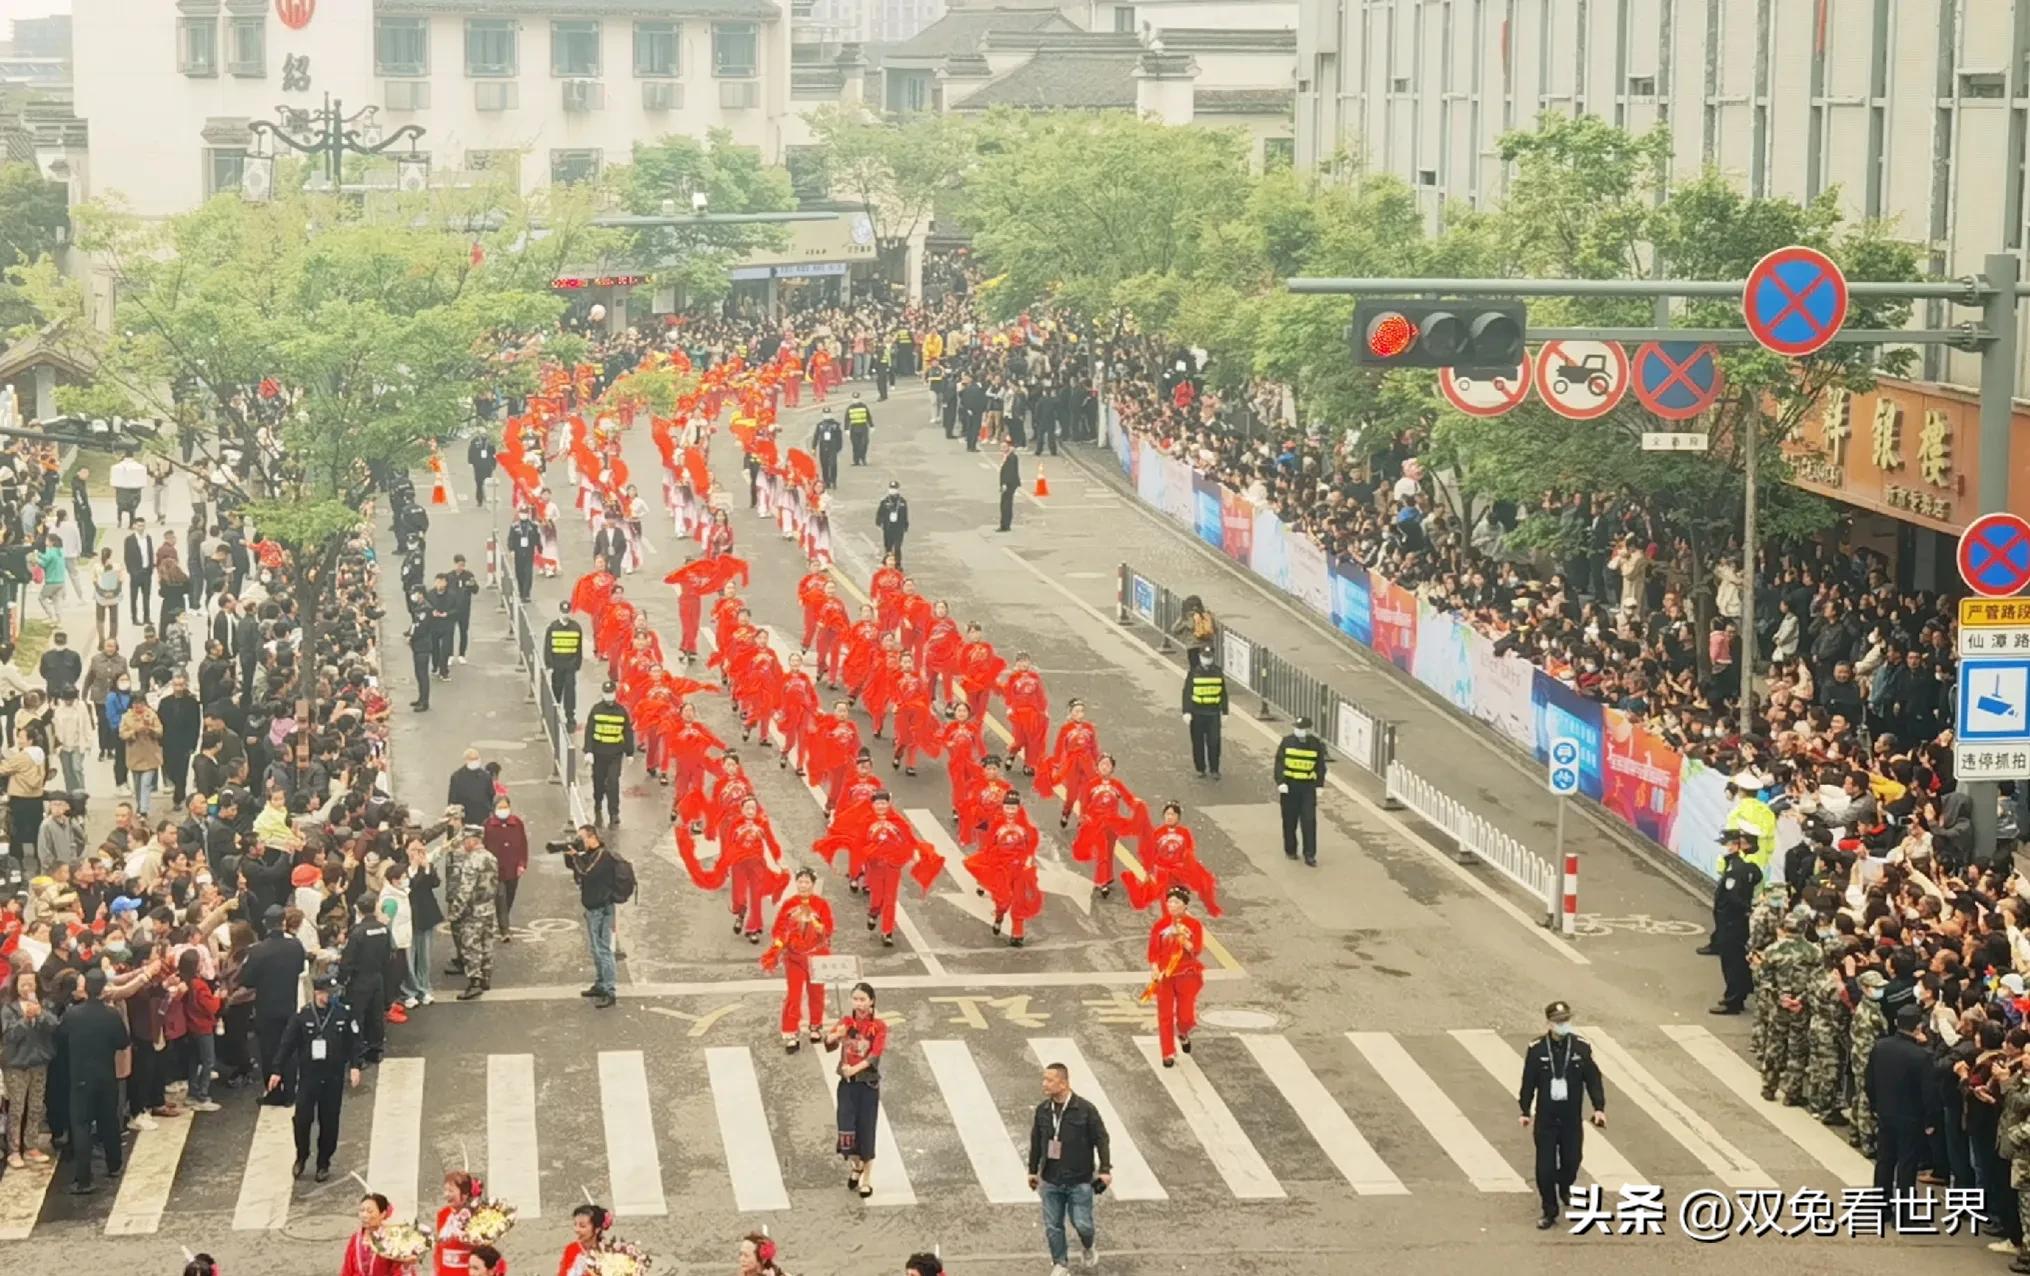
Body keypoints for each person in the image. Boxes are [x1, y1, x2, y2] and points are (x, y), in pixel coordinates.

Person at [1517, 999, 1608, 1229]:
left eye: (1566, 1020)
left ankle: (1565, 1186)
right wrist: (1525, 1110)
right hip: (1546, 1119)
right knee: (1544, 1168)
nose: (1562, 1025)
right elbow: (1528, 1081)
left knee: (1572, 1160)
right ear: (1548, 1023)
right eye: (1558, 1022)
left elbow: (1593, 1080)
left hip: (1570, 1119)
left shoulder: (1580, 1048)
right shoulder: (1537, 1049)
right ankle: (1549, 1210)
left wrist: (1599, 1108)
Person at [268, 973, 364, 1182]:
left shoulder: (342, 1014)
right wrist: (277, 1070)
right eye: (326, 993)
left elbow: (353, 1042)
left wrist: (355, 1066)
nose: (330, 997)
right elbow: (287, 1044)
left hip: (333, 1077)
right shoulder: (303, 1017)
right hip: (309, 1077)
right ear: (317, 993)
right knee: (302, 1120)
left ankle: (323, 1162)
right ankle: (301, 1156)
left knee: (329, 1122)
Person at [1028, 1060, 1111, 1276]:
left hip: (1080, 1180)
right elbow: (1036, 1141)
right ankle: (1060, 1263)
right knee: (1053, 1226)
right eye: (1044, 1079)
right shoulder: (1043, 1110)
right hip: (1051, 1179)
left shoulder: (1085, 1109)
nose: (1044, 1084)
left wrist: (1105, 1169)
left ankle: (1088, 1245)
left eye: (1049, 1080)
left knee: (1083, 1224)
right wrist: (1032, 1170)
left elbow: (1101, 1138)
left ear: (1063, 1084)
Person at [57, 968, 127, 1194]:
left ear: (85, 987)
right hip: (106, 1075)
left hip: (80, 1078)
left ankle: (84, 1178)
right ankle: (114, 1164)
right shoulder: (111, 1014)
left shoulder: (72, 1015)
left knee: (81, 1126)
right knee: (109, 1121)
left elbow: (59, 1038)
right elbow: (122, 1042)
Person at [1865, 1003, 1935, 1212]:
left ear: (1896, 1023)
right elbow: (1927, 1092)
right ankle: (1904, 1212)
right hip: (1911, 1116)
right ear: (1919, 1027)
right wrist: (1929, 1120)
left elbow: (1869, 1081)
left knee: (1885, 1160)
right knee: (1907, 1164)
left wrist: (1875, 1105)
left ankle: (1880, 1205)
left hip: (1885, 1112)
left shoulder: (1880, 1047)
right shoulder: (1921, 1056)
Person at [825, 980, 887, 1200]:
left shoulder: (878, 1026)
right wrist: (834, 1035)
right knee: (846, 1132)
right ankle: (856, 1165)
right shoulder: (845, 1022)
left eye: (863, 999)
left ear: (871, 1002)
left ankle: (866, 1179)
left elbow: (874, 1056)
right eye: (855, 999)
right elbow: (829, 1042)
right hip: (847, 1086)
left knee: (866, 1130)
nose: (859, 1003)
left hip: (867, 1086)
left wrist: (854, 1069)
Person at [761, 866, 833, 1051]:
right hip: (794, 957)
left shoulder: (821, 904)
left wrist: (814, 922)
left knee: (817, 993)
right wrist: (778, 945)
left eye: (806, 882)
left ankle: (815, 1025)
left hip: (816, 956)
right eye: (800, 882)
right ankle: (790, 1031)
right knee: (794, 995)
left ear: (813, 884)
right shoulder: (788, 904)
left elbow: (828, 929)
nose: (803, 885)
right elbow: (778, 929)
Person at [1146, 886, 1205, 1067]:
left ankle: (1184, 1032)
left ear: (1184, 905)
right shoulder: (1160, 925)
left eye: (1176, 902)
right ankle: (1167, 1052)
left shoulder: (1194, 925)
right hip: (1165, 976)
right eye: (1169, 901)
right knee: (1164, 1014)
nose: (1171, 905)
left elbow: (1196, 949)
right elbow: (1153, 951)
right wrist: (1155, 967)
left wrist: (1183, 938)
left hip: (1185, 975)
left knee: (1185, 1015)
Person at [565, 823, 620, 1009]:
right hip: (591, 907)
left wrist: (576, 858)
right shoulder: (589, 855)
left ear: (592, 837)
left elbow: (586, 873)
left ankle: (609, 990)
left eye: (581, 838)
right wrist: (571, 854)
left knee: (603, 949)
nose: (580, 842)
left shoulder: (603, 856)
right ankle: (600, 983)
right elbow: (576, 869)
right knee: (596, 949)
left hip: (601, 909)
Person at [1709, 830, 1762, 1015]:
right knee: (1737, 959)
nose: (1727, 848)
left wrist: (1746, 910)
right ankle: (1739, 992)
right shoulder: (1744, 866)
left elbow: (1733, 897)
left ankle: (1733, 1000)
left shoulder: (1737, 868)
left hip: (1732, 922)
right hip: (1736, 921)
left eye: (1730, 844)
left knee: (1732, 961)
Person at [446, 827, 499, 1001]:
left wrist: (455, 912)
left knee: (471, 945)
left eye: (465, 840)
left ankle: (474, 982)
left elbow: (465, 890)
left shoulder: (471, 861)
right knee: (487, 942)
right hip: (488, 907)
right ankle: (486, 977)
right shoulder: (491, 857)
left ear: (472, 840)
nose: (463, 844)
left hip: (473, 910)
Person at [1273, 715, 1326, 865]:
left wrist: (1319, 784)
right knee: (1289, 821)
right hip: (1290, 787)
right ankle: (1290, 850)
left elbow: (1320, 766)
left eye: (1302, 729)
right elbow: (1279, 763)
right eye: (1297, 728)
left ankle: (1310, 854)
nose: (1299, 731)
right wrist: (1281, 782)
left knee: (1309, 821)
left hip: (1307, 787)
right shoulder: (1287, 742)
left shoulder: (1316, 744)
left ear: (1309, 730)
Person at [583, 681, 635, 827]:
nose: (609, 695)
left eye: (611, 692)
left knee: (613, 782)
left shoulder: (621, 711)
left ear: (615, 693)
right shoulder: (596, 710)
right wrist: (588, 751)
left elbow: (627, 732)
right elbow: (589, 731)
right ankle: (598, 802)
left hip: (614, 754)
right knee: (598, 782)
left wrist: (630, 752)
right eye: (606, 693)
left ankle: (614, 813)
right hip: (599, 754)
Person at [1180, 646, 1228, 780]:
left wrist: (1225, 711)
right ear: (1200, 658)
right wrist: (1187, 711)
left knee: (1214, 742)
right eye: (1205, 657)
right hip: (1197, 713)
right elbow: (1187, 693)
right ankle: (1200, 768)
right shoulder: (1194, 673)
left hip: (1213, 713)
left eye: (1209, 657)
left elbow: (1223, 693)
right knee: (1198, 742)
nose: (1207, 659)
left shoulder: (1218, 672)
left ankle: (1214, 769)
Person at [545, 601, 586, 729]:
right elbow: (547, 648)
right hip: (557, 666)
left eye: (567, 612)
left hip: (570, 667)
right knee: (556, 691)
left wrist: (576, 664)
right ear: (559, 612)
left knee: (570, 694)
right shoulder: (553, 627)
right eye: (563, 612)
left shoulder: (576, 627)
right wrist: (549, 665)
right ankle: (554, 716)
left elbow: (579, 648)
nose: (565, 615)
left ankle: (570, 718)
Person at [435, 1169, 482, 1276]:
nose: (446, 1195)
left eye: (451, 1191)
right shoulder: (443, 1214)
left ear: (465, 1195)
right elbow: (439, 1251)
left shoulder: (476, 1216)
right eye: (445, 1190)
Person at [557, 1201, 611, 1276]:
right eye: (575, 1224)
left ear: (597, 1229)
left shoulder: (609, 1253)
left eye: (582, 1226)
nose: (576, 1229)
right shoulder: (571, 1249)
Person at [506, 511, 540, 604]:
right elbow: (511, 539)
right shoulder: (515, 526)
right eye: (522, 513)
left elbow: (537, 538)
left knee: (528, 573)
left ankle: (526, 594)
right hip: (518, 553)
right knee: (519, 573)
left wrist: (539, 549)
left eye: (525, 513)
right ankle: (521, 592)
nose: (523, 515)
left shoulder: (533, 526)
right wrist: (511, 549)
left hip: (529, 552)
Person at [875, 481, 909, 568]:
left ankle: (898, 563)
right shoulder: (884, 501)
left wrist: (906, 525)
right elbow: (880, 513)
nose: (893, 490)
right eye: (891, 488)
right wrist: (879, 522)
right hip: (888, 527)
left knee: (897, 547)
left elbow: (905, 514)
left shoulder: (902, 502)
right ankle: (888, 563)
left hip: (898, 528)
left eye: (894, 489)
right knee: (888, 546)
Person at [812, 408, 844, 487]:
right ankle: (826, 481)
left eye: (828, 414)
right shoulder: (820, 425)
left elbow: (839, 437)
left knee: (833, 464)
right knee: (824, 464)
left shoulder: (835, 424)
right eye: (825, 414)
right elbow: (816, 436)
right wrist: (814, 447)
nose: (827, 415)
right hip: (823, 446)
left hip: (832, 446)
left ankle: (833, 480)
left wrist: (839, 447)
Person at [996, 439, 1021, 533]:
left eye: (1004, 447)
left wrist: (1005, 484)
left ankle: (1005, 525)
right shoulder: (1007, 456)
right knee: (1005, 504)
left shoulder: (1011, 457)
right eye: (1001, 447)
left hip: (1009, 484)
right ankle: (1004, 524)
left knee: (1006, 505)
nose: (1002, 449)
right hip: (1008, 484)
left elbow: (1009, 472)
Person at [844, 393, 874, 466]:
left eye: (857, 399)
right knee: (855, 445)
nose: (855, 400)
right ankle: (856, 461)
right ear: (852, 399)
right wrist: (846, 429)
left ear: (859, 399)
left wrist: (871, 426)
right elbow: (847, 419)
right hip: (854, 428)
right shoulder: (850, 408)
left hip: (863, 427)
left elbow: (868, 416)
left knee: (864, 444)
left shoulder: (864, 406)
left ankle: (863, 458)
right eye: (854, 399)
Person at [468, 433, 497, 506]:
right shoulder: (475, 441)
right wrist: (470, 462)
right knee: (479, 483)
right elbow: (471, 451)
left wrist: (494, 464)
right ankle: (479, 500)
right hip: (478, 465)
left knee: (488, 483)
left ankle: (488, 498)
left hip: (488, 465)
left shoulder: (491, 442)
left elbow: (494, 454)